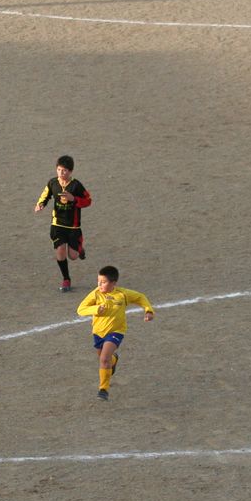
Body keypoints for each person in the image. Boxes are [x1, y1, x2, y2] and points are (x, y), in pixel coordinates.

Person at [76, 265, 155, 401]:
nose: (99, 285)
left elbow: (140, 297)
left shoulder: (122, 294)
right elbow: (81, 309)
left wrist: (148, 310)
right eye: (98, 281)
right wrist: (95, 309)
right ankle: (114, 359)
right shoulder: (95, 294)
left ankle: (103, 389)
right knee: (105, 359)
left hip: (116, 331)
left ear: (113, 283)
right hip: (98, 332)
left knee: (103, 359)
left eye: (103, 282)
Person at [35, 155, 92, 292]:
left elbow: (88, 201)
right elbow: (45, 194)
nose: (61, 172)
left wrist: (74, 199)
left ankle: (79, 248)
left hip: (73, 226)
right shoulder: (52, 183)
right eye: (59, 169)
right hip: (57, 224)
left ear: (70, 171)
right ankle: (66, 279)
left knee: (73, 256)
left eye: (65, 170)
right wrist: (41, 204)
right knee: (60, 251)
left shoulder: (76, 185)